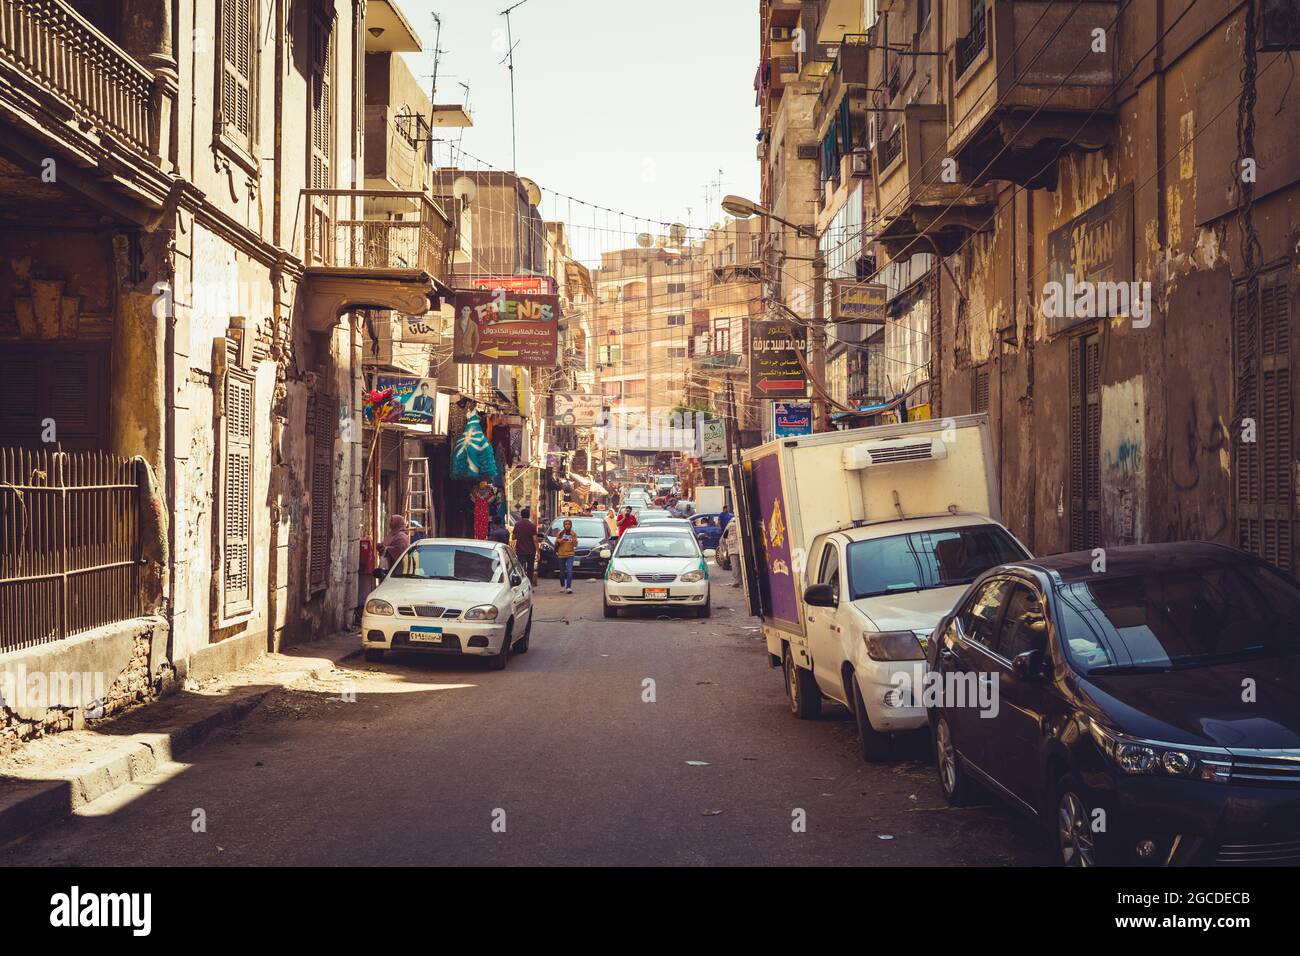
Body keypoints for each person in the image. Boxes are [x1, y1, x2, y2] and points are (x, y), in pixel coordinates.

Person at [512, 507, 538, 582]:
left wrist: (519, 535)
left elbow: (513, 537)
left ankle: (522, 582)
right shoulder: (532, 526)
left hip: (520, 550)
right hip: (530, 551)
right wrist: (538, 552)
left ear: (521, 515)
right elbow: (535, 540)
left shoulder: (517, 525)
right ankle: (529, 583)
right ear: (529, 515)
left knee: (521, 568)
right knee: (530, 569)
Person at [554, 519, 579, 593]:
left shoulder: (573, 533)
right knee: (562, 572)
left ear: (571, 525)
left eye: (569, 524)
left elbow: (575, 544)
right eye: (566, 524)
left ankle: (568, 587)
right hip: (561, 554)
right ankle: (562, 586)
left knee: (569, 571)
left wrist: (573, 539)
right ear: (564, 525)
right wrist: (559, 540)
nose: (567, 525)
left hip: (570, 554)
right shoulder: (560, 533)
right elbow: (556, 542)